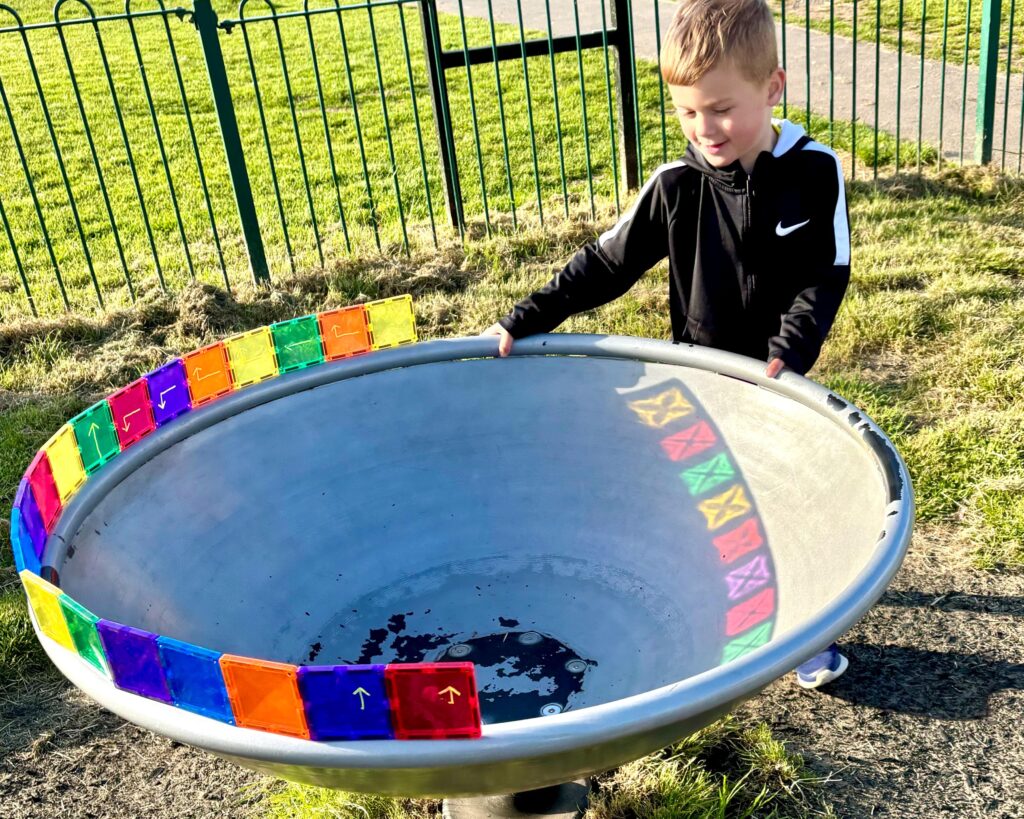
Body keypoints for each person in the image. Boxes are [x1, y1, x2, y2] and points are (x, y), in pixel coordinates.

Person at [482, 0, 851, 689]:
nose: (704, 128)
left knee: (788, 503)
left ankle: (804, 627)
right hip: (703, 375)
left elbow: (824, 274)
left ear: (773, 87)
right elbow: (605, 264)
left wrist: (791, 348)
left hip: (779, 379)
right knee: (717, 503)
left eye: (721, 109)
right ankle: (724, 610)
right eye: (687, 112)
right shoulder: (675, 186)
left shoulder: (815, 171)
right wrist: (527, 317)